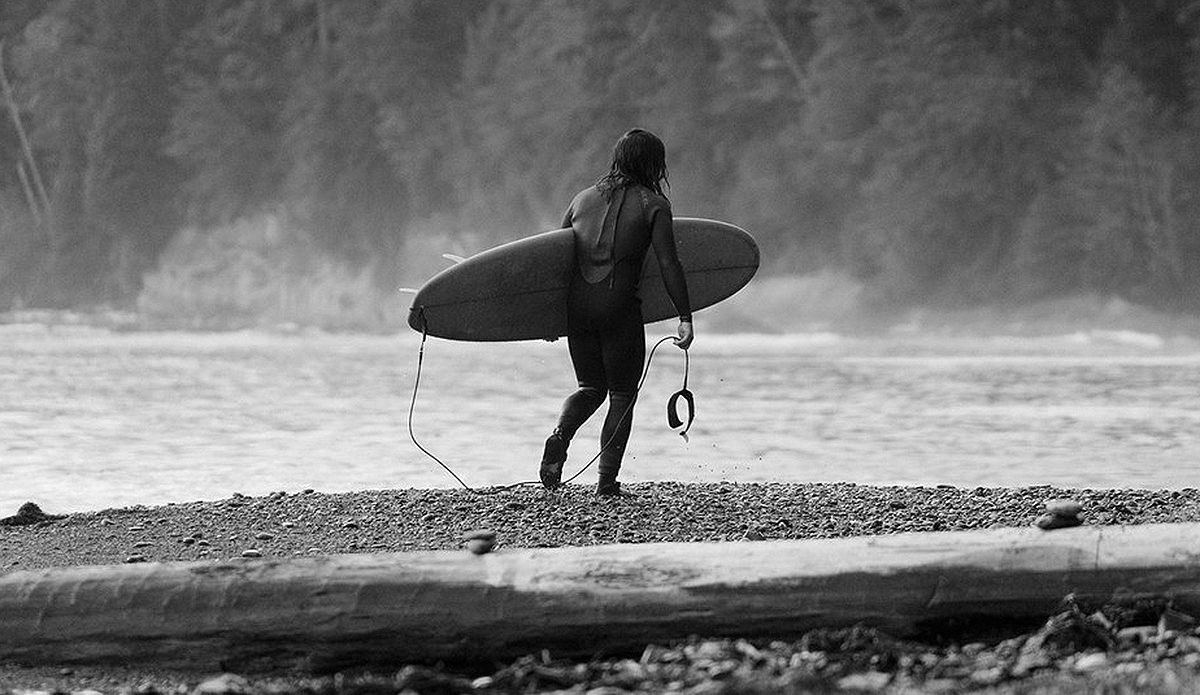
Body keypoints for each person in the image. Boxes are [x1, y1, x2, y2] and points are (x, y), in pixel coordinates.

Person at [539, 129, 693, 496]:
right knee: (622, 395)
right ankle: (606, 483)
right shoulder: (654, 205)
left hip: (578, 310)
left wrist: (549, 317)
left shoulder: (581, 199)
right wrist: (685, 317)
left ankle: (560, 436)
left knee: (590, 388)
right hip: (619, 309)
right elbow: (669, 263)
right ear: (653, 164)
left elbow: (558, 261)